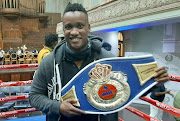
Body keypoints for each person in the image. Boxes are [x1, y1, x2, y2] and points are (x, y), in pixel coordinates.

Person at [29, 3, 169, 121]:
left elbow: (126, 88)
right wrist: (57, 107)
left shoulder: (107, 58)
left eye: (79, 26)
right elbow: (34, 97)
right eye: (68, 27)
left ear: (88, 27)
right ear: (63, 30)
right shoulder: (49, 62)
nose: (74, 32)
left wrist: (154, 82)